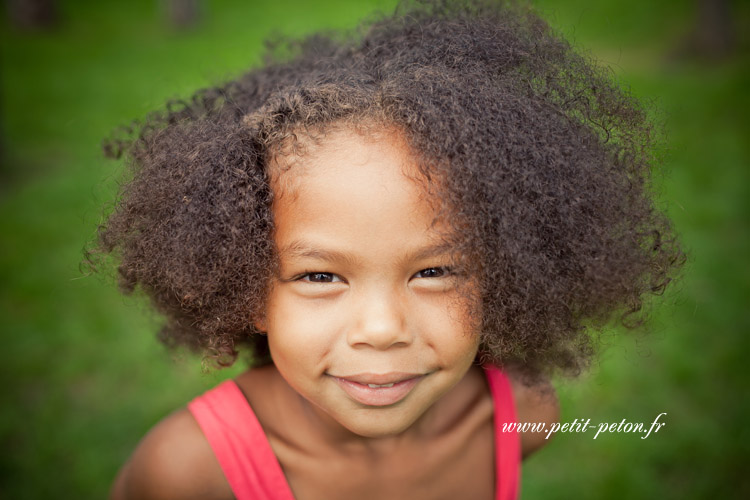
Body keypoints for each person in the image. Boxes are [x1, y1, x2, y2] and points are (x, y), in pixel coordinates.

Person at [96, 1, 684, 498]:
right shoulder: (187, 471)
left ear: (503, 275)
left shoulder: (522, 417)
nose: (382, 329)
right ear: (247, 287)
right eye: (320, 277)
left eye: (434, 269)